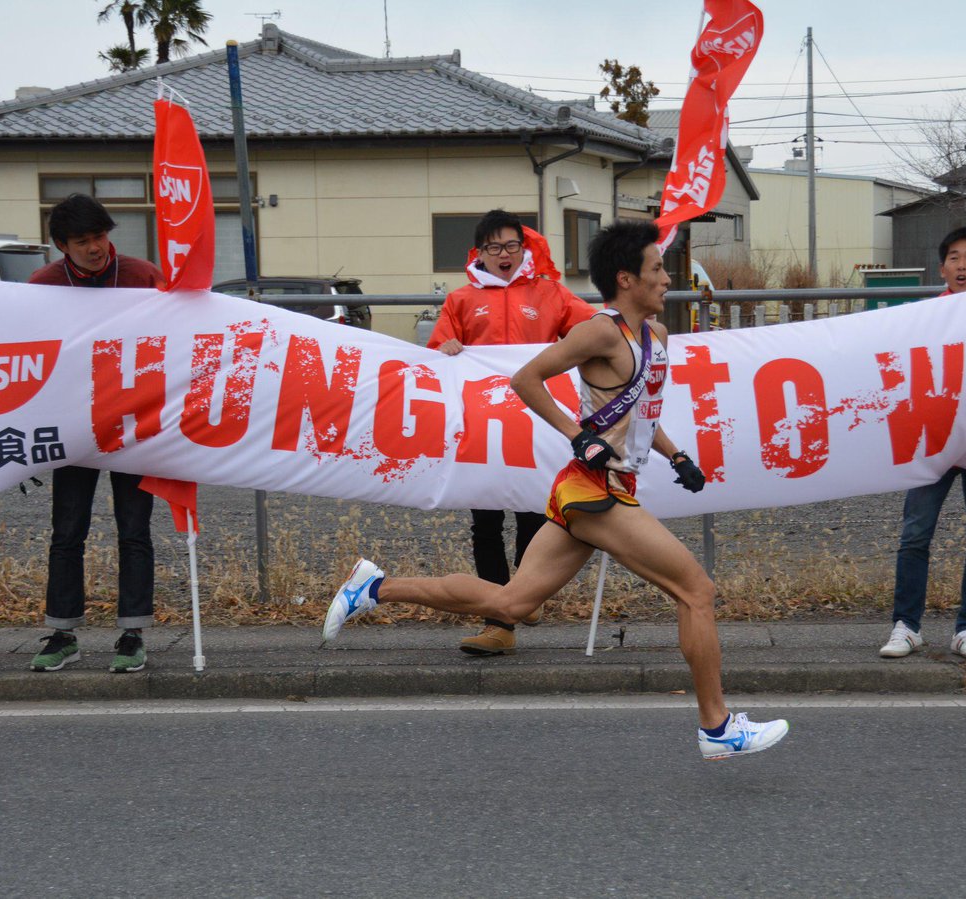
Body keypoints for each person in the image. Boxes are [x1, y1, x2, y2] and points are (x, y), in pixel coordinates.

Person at [324, 219, 789, 759]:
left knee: (512, 602)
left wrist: (676, 454)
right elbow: (525, 379)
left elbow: (639, 416)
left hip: (604, 487)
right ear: (626, 279)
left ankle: (374, 587)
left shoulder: (655, 336)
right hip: (596, 490)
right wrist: (578, 435)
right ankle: (717, 727)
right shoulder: (599, 331)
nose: (666, 279)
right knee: (696, 591)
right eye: (657, 269)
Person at [429, 209, 595, 656]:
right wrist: (446, 348)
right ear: (478, 253)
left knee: (532, 515)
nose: (503, 255)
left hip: (537, 422)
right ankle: (498, 623)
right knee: (484, 522)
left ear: (524, 248)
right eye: (493, 248)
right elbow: (437, 352)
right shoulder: (462, 299)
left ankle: (524, 593)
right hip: (480, 426)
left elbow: (593, 332)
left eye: (511, 246)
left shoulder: (550, 294)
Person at [27, 194, 165, 674]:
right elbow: (29, 363)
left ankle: (132, 634)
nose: (95, 248)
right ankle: (62, 633)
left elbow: (179, 339)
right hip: (72, 426)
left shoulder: (143, 275)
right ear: (62, 246)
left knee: (134, 531)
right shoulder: (42, 285)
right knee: (67, 532)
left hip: (132, 424)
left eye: (101, 236)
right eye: (82, 241)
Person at [880, 226, 966, 660]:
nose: (962, 264)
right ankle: (906, 626)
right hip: (934, 441)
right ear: (942, 267)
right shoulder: (924, 316)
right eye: (954, 256)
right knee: (915, 534)